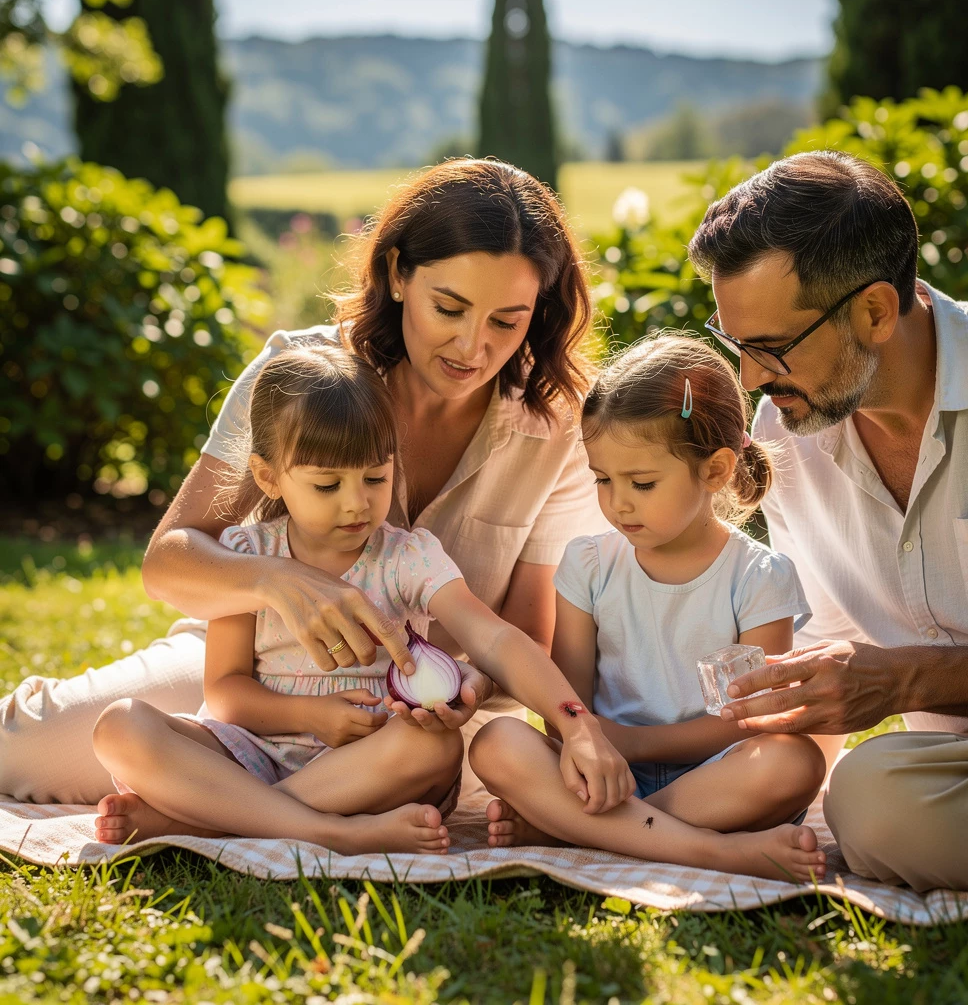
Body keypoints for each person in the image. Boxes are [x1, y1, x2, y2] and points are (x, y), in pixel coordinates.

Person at [0, 158, 612, 808]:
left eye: (506, 320)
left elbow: (520, 631)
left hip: (421, 714)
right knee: (32, 749)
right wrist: (280, 582)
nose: (473, 346)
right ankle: (263, 805)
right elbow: (168, 563)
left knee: (448, 767)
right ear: (399, 274)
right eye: (450, 307)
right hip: (254, 672)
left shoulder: (557, 427)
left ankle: (212, 808)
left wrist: (464, 687)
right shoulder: (299, 374)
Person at [91, 342, 631, 851]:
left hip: (373, 766)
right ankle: (329, 833)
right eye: (327, 486)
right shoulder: (248, 555)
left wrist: (575, 723)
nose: (357, 505)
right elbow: (227, 694)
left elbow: (492, 636)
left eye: (376, 477)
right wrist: (311, 716)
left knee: (436, 746)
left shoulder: (408, 558)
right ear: (268, 477)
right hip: (252, 751)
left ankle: (208, 819)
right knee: (120, 726)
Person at [685, 149, 968, 893]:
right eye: (736, 346)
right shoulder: (787, 431)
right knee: (873, 800)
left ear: (874, 311)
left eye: (771, 348)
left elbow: (887, 679)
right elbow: (830, 651)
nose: (751, 379)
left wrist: (906, 681)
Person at [469, 335, 828, 881]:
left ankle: (582, 831)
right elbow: (566, 700)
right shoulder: (588, 563)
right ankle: (710, 851)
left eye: (641, 483)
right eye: (602, 480)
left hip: (715, 779)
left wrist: (637, 741)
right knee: (497, 742)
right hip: (602, 769)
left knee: (794, 762)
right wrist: (584, 742)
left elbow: (752, 719)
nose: (618, 503)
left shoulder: (758, 577)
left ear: (714, 471)